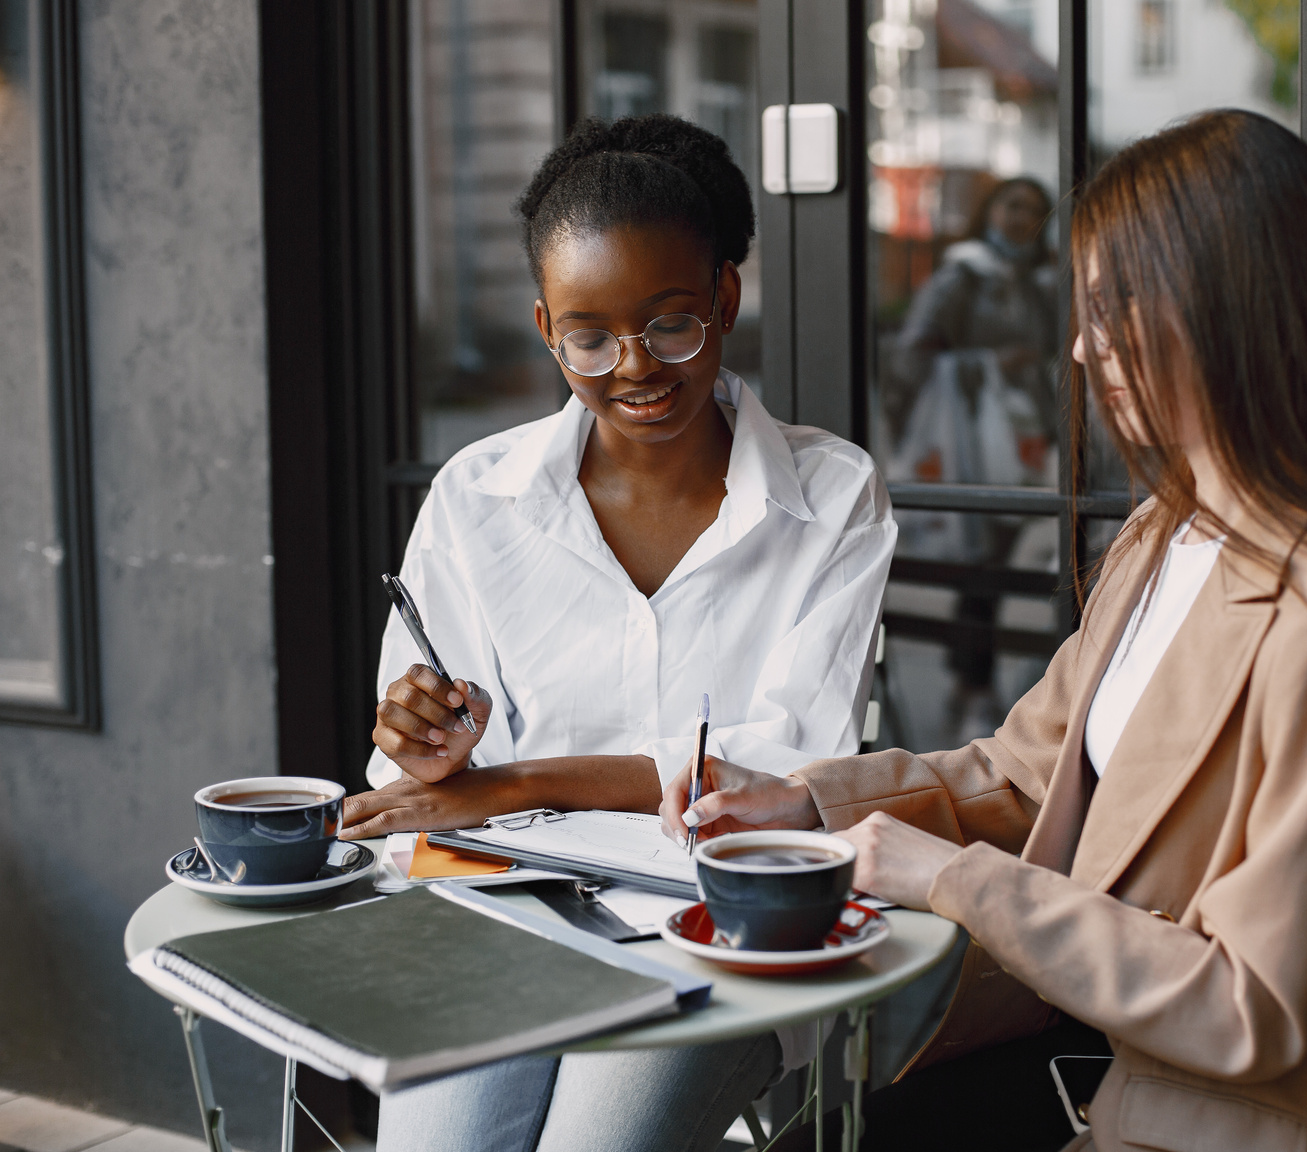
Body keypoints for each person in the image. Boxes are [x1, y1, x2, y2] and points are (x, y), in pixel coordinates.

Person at [666, 110, 1307, 1152]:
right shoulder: (1161, 536)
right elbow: (1025, 771)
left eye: (1115, 305)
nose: (1084, 345)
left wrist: (947, 877)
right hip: (1101, 1070)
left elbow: (1251, 1002)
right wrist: (807, 802)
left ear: (1232, 309)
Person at [348, 114, 896, 1152]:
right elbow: (425, 774)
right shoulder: (478, 498)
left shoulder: (833, 496)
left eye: (671, 323)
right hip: (504, 920)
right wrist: (426, 735)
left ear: (726, 299)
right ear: (549, 327)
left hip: (719, 938)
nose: (633, 366)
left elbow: (775, 776)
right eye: (589, 336)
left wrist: (514, 782)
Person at [884, 177, 1063, 742]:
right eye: (1013, 205)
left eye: (1034, 210)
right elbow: (910, 353)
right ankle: (973, 688)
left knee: (994, 567)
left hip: (1022, 441)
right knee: (980, 569)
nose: (1021, 219)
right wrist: (989, 363)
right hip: (970, 445)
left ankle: (977, 686)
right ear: (990, 209)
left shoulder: (1040, 282)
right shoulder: (963, 275)